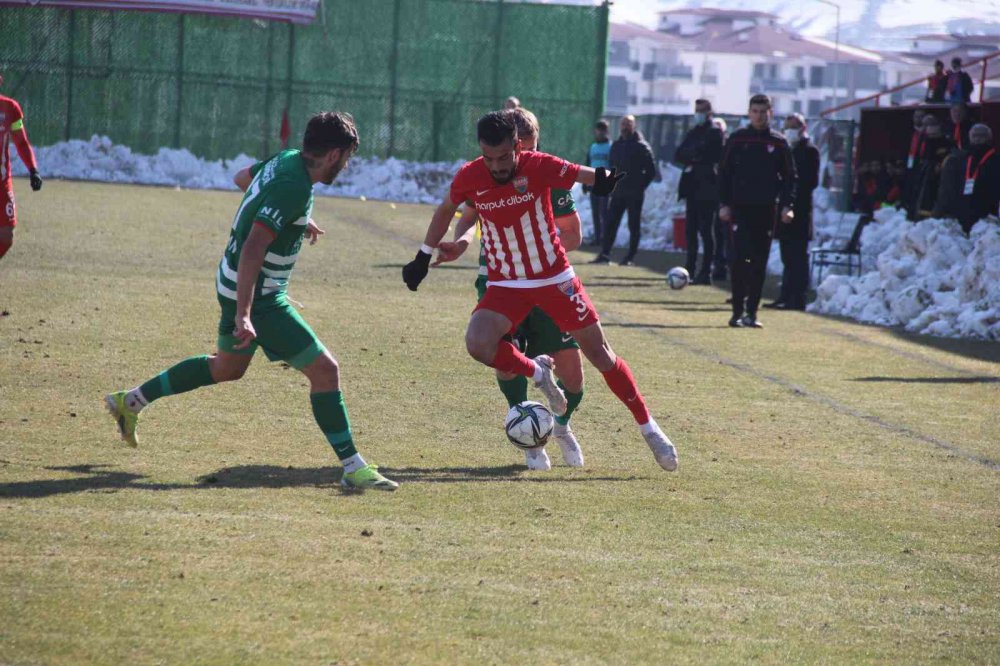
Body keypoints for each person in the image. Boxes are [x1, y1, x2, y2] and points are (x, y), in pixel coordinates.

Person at [104, 112, 399, 491]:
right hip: (260, 298)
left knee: (227, 367)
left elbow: (243, 179)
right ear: (333, 155)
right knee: (326, 371)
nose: (346, 166)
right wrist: (245, 315)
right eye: (346, 158)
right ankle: (353, 467)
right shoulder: (294, 187)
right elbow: (254, 246)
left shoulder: (286, 159)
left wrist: (295, 218)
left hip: (231, 281)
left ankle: (130, 402)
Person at [402, 110, 679, 472]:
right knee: (478, 343)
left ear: (518, 146)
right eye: (489, 158)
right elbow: (447, 209)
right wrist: (423, 256)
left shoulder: (539, 165)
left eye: (504, 157)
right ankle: (538, 374)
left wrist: (608, 179)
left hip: (553, 278)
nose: (497, 166)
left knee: (600, 355)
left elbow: (581, 173)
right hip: (506, 283)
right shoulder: (471, 174)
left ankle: (649, 428)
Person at [433, 108, 586, 471]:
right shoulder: (487, 174)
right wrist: (462, 243)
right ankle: (528, 434)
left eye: (529, 150)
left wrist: (538, 256)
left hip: (546, 283)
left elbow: (573, 234)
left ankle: (561, 427)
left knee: (573, 375)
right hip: (499, 282)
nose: (520, 162)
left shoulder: (548, 174)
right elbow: (468, 217)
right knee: (506, 358)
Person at [718, 94, 796, 329]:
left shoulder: (779, 142)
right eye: (755, 111)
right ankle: (736, 311)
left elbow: (790, 177)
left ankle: (752, 313)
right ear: (749, 113)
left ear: (770, 113)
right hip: (739, 209)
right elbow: (724, 174)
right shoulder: (737, 139)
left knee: (759, 261)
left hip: (766, 209)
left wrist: (787, 205)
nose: (759, 116)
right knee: (739, 260)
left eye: (763, 112)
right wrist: (724, 204)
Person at [767, 113, 818, 311]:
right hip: (784, 209)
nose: (789, 131)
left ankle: (797, 297)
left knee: (798, 255)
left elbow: (808, 182)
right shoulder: (786, 149)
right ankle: (785, 295)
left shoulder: (810, 151)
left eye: (793, 127)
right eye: (787, 127)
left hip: (800, 210)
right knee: (786, 255)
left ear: (803, 128)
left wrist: (792, 202)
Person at [590, 115, 656, 266]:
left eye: (628, 124)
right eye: (623, 124)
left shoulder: (642, 146)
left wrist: (640, 186)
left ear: (634, 126)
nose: (625, 127)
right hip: (618, 192)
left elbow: (651, 171)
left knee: (633, 225)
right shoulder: (617, 145)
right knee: (610, 223)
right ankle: (605, 254)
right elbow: (612, 166)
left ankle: (630, 257)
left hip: (634, 193)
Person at [675, 99, 724, 284]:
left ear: (709, 112)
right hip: (692, 187)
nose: (698, 114)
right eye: (697, 110)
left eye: (702, 110)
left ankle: (706, 271)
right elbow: (679, 154)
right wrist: (695, 155)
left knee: (706, 230)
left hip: (708, 188)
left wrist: (694, 155)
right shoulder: (694, 132)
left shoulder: (715, 132)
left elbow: (711, 154)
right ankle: (690, 268)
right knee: (691, 230)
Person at [0, 73, 43, 261]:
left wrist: (33, 170)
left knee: (6, 236)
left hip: (2, 181)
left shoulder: (10, 108)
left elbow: (21, 142)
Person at [958, 123, 1000, 234]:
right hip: (966, 205)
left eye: (981, 135)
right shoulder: (965, 157)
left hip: (987, 206)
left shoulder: (995, 159)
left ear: (988, 138)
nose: (977, 139)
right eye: (974, 135)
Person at [583, 119, 611, 245]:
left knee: (604, 212)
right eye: (599, 130)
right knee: (595, 212)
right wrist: (584, 182)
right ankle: (598, 237)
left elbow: (613, 166)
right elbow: (588, 164)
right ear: (596, 131)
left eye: (603, 130)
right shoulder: (593, 147)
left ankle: (606, 237)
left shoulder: (610, 147)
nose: (600, 132)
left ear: (606, 131)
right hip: (593, 183)